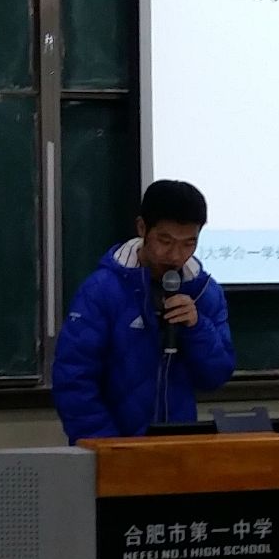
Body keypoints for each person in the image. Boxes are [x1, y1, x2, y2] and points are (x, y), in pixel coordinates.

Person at [52, 179, 235, 444]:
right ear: (142, 228)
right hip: (112, 449)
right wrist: (110, 448)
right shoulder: (101, 291)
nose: (176, 255)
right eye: (165, 241)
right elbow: (73, 380)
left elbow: (215, 376)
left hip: (178, 447)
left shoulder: (205, 292)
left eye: (188, 243)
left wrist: (197, 328)